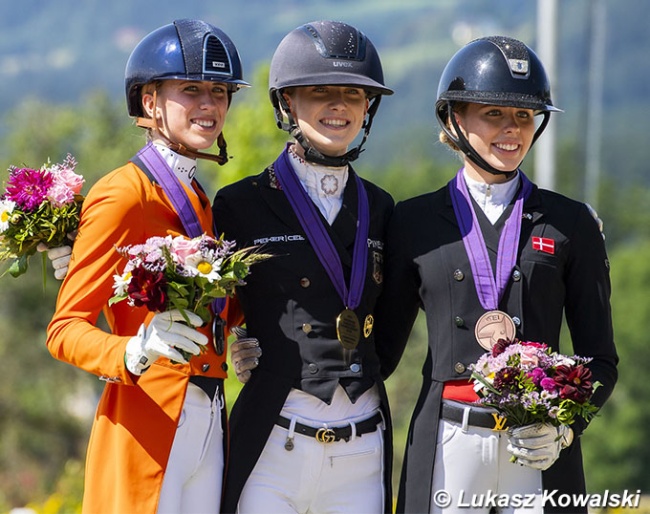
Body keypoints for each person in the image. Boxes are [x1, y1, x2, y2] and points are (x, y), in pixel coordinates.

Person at [374, 36, 618, 513]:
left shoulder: (572, 224)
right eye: (494, 114)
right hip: (448, 439)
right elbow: (380, 350)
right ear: (454, 120)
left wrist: (565, 426)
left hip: (538, 445)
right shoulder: (412, 221)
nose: (513, 130)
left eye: (524, 116)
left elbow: (599, 359)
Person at [45, 19, 258, 513]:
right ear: (149, 102)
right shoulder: (124, 193)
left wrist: (244, 329)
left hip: (209, 414)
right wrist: (133, 348)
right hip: (146, 422)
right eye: (191, 90)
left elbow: (210, 311)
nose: (210, 105)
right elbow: (64, 329)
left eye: (220, 92)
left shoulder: (200, 199)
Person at [212, 20, 395, 514]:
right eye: (320, 92)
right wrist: (234, 342)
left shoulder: (381, 207)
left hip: (362, 447)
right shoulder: (239, 204)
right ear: (287, 103)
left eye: (353, 95)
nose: (339, 106)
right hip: (276, 443)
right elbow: (212, 302)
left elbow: (397, 320)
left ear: (367, 108)